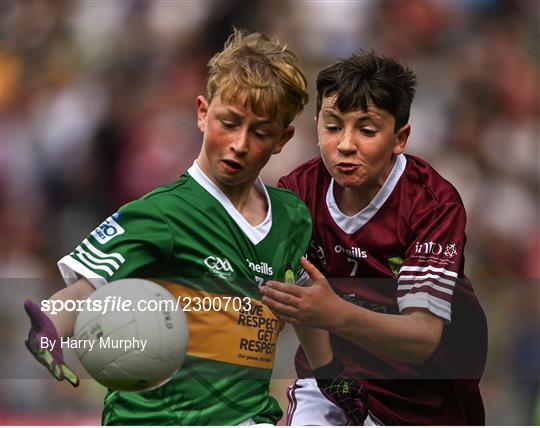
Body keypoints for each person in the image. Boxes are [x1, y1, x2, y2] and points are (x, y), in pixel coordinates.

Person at [24, 29, 313, 425]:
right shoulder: (162, 213)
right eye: (229, 122)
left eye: (260, 132)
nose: (240, 144)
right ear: (201, 112)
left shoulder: (294, 219)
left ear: (284, 138)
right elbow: (83, 289)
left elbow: (315, 317)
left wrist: (333, 387)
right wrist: (48, 326)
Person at [260, 52, 488, 425]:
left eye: (366, 130)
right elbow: (302, 297)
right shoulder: (297, 192)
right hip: (332, 378)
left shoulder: (433, 205)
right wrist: (331, 376)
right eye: (333, 127)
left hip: (426, 399)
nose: (346, 144)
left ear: (400, 138)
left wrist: (332, 311)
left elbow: (422, 338)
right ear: (316, 125)